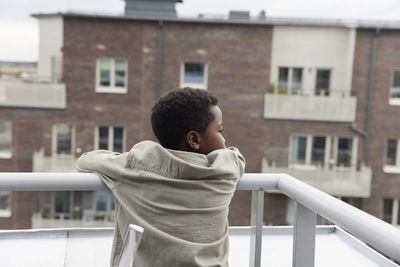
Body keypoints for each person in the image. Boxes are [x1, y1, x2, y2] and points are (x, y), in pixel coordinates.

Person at [76, 87, 245, 267]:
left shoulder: (134, 168)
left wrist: (130, 159)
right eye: (220, 131)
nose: (224, 141)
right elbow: (234, 156)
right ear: (194, 140)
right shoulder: (225, 170)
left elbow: (85, 160)